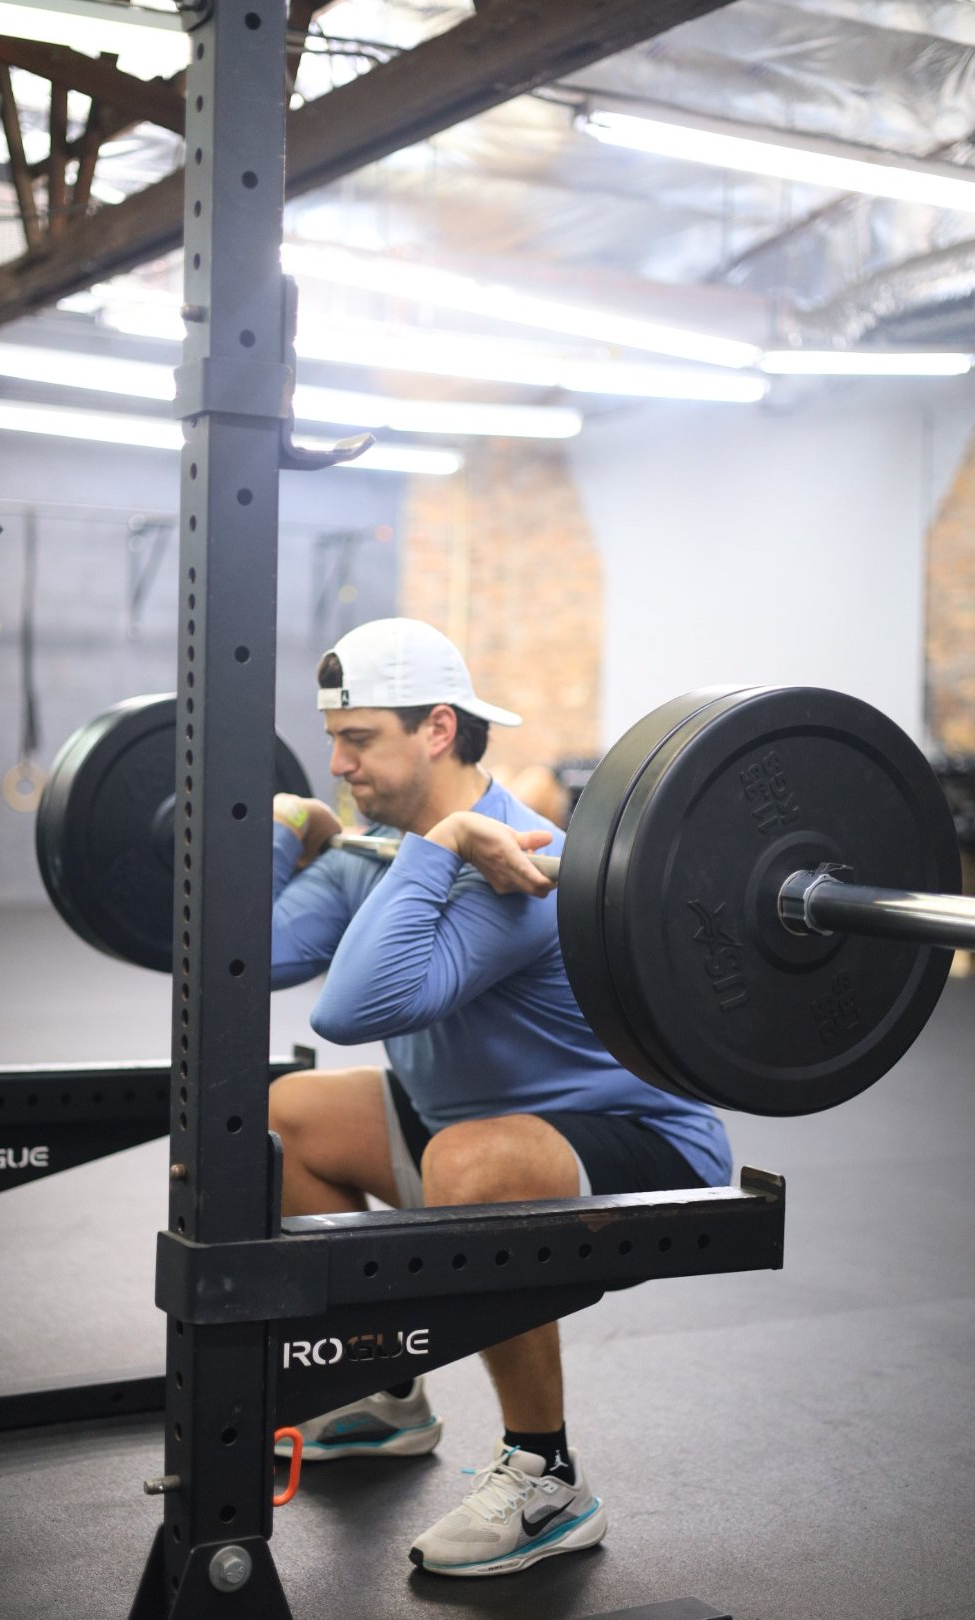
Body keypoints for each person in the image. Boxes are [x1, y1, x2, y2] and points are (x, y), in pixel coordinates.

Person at [269, 617, 733, 1579]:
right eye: (334, 739)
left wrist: (443, 845)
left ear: (437, 729)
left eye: (358, 739)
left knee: (469, 1165)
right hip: (463, 1118)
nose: (337, 761)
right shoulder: (383, 850)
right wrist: (292, 834)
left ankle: (545, 1476)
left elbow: (354, 1011)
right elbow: (246, 955)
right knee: (289, 1121)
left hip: (642, 1145)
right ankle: (383, 1388)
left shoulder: (519, 865)